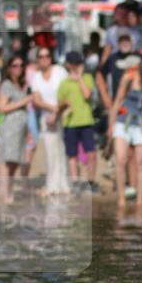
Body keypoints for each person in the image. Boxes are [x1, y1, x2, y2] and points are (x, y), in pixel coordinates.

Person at [108, 56, 142, 207]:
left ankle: (140, 199)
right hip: (124, 121)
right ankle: (121, 198)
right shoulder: (128, 78)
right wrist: (111, 124)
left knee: (141, 162)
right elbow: (117, 100)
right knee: (121, 159)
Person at [29, 46, 70, 195]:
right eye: (41, 56)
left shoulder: (60, 72)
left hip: (64, 114)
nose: (45, 58)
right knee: (50, 150)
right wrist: (51, 109)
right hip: (47, 116)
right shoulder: (36, 77)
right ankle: (52, 184)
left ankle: (65, 184)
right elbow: (36, 99)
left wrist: (57, 111)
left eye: (47, 55)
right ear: (37, 59)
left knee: (63, 150)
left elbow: (68, 93)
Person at [58, 51, 97, 191]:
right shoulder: (64, 83)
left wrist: (79, 78)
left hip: (86, 121)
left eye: (80, 63)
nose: (78, 66)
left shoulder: (87, 78)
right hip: (70, 123)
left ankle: (91, 182)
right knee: (72, 154)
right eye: (75, 64)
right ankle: (75, 183)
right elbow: (59, 102)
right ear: (68, 65)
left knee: (91, 153)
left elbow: (87, 94)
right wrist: (64, 104)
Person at [0, 55, 31, 204]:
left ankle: (8, 191)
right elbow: (2, 107)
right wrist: (24, 100)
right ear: (9, 68)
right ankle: (4, 194)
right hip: (10, 127)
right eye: (15, 65)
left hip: (21, 128)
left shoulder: (21, 85)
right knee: (7, 160)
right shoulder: (7, 84)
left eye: (21, 65)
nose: (19, 68)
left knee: (15, 161)